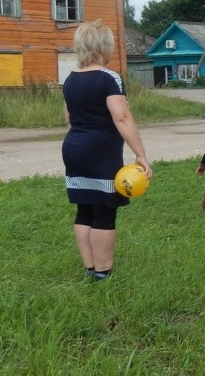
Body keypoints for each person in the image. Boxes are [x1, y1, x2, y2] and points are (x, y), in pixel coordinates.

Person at [62, 20, 152, 281]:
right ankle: (103, 272)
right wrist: (141, 154)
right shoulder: (108, 77)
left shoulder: (70, 78)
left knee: (85, 209)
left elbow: (68, 118)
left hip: (74, 147)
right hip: (100, 151)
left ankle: (90, 267)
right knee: (104, 210)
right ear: (103, 47)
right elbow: (122, 117)